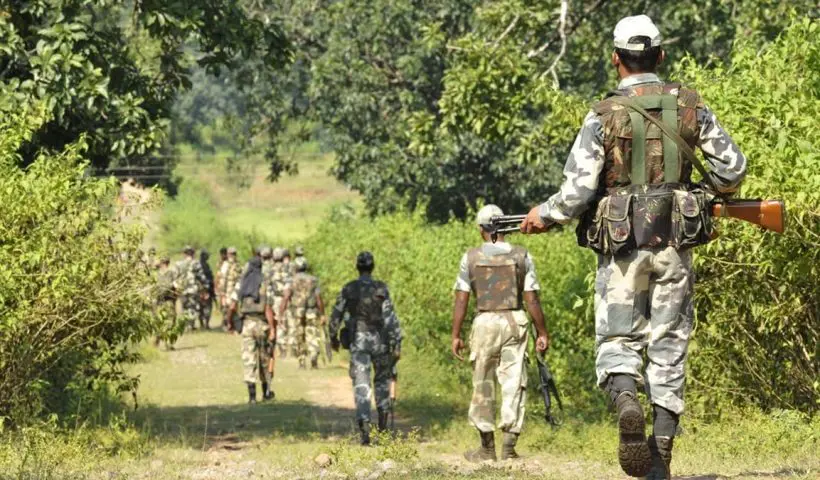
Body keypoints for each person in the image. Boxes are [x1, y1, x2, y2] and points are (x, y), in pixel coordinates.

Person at [519, 15, 747, 479]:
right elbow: (732, 170)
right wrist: (697, 195)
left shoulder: (602, 114)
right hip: (675, 246)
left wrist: (545, 213)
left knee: (618, 338)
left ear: (615, 59)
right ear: (660, 56)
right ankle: (659, 460)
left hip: (622, 249)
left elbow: (578, 192)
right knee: (669, 345)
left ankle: (626, 398)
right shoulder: (690, 105)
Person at [451, 205, 549, 462]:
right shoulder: (521, 255)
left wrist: (456, 335)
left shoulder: (470, 258)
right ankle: (508, 447)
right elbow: (531, 298)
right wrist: (542, 332)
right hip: (515, 321)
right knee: (514, 381)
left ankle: (486, 448)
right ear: (505, 226)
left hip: (484, 322)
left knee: (482, 382)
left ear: (481, 229)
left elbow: (461, 299)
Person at [329, 252, 401, 446]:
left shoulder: (349, 289)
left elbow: (336, 315)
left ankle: (365, 429)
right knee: (382, 383)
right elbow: (390, 317)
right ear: (372, 267)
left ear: (357, 267)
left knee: (362, 382)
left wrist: (333, 337)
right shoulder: (381, 289)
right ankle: (383, 427)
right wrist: (396, 341)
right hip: (381, 341)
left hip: (358, 341)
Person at [226, 256, 276, 404]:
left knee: (249, 359)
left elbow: (232, 306)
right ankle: (266, 393)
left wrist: (230, 322)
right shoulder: (264, 283)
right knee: (264, 359)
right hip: (262, 325)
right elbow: (268, 308)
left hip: (247, 324)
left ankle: (252, 397)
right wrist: (272, 328)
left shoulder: (241, 283)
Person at [279, 257, 325, 369]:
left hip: (297, 311)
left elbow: (286, 297)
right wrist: (322, 314)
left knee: (299, 336)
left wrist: (281, 313)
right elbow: (318, 298)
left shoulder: (291, 280)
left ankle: (302, 361)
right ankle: (313, 356)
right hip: (311, 311)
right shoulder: (313, 280)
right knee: (312, 334)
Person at [173, 245, 209, 331]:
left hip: (183, 290)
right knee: (192, 307)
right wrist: (206, 287)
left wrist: (176, 289)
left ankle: (186, 325)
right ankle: (190, 325)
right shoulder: (196, 263)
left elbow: (175, 277)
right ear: (192, 253)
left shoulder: (178, 264)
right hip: (193, 290)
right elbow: (201, 277)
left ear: (184, 254)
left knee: (185, 307)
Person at [154, 257, 183, 349]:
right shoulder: (161, 274)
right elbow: (178, 286)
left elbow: (177, 286)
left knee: (166, 320)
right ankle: (162, 339)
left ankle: (164, 341)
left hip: (165, 301)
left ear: (162, 263)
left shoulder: (164, 273)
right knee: (166, 321)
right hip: (164, 301)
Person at [220, 247, 241, 331]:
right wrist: (222, 293)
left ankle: (231, 325)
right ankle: (227, 324)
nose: (232, 255)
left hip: (235, 289)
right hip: (227, 289)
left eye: (234, 254)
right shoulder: (225, 264)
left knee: (233, 308)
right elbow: (222, 279)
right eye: (231, 254)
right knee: (227, 308)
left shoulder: (238, 265)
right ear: (228, 254)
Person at [198, 249, 215, 330]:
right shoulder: (203, 266)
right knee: (206, 307)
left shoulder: (199, 265)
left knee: (201, 307)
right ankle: (205, 324)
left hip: (202, 290)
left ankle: (203, 324)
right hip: (205, 290)